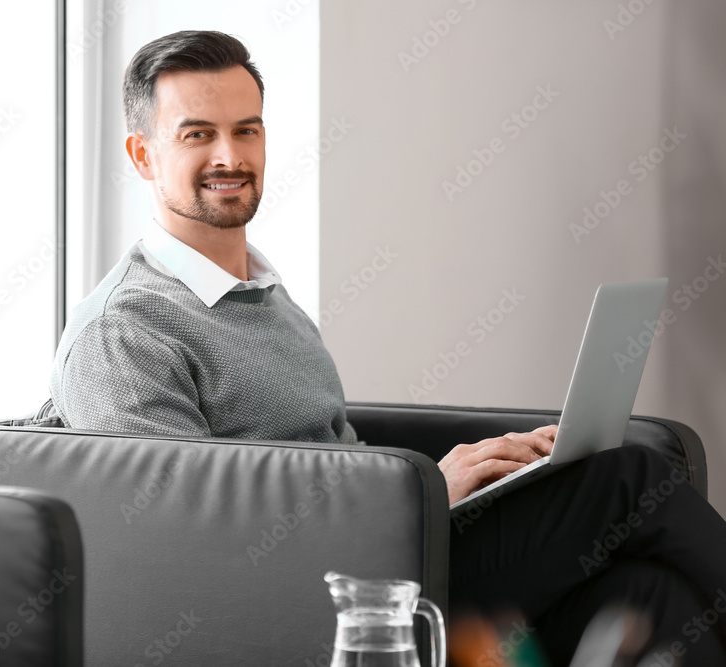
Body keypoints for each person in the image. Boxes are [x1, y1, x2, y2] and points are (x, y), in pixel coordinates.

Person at [49, 30, 726, 665]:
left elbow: (328, 459)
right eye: (198, 135)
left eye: (245, 130)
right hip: (324, 594)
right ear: (144, 155)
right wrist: (420, 492)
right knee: (630, 478)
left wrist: (456, 486)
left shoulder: (261, 292)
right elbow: (185, 548)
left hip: (391, 541)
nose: (229, 157)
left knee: (650, 593)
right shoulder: (124, 332)